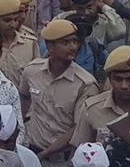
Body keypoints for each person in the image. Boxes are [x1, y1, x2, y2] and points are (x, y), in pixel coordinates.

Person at [19, 19, 98, 165]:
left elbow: (79, 129)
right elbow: (23, 100)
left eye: (75, 42)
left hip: (64, 158)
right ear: (50, 46)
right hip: (31, 149)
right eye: (65, 43)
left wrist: (44, 154)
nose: (73, 47)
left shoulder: (85, 83)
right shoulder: (32, 71)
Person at [72, 45, 130, 147]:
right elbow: (80, 151)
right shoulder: (92, 109)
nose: (124, 86)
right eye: (118, 79)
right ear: (109, 79)